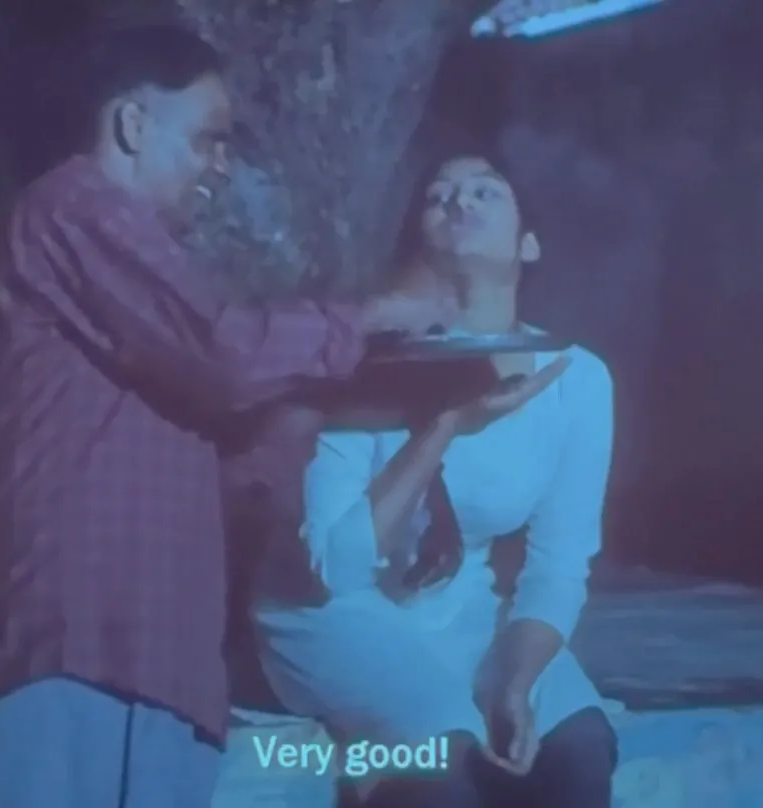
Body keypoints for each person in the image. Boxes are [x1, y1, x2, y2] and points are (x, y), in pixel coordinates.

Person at [0, 24, 450, 808]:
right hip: (75, 640)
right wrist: (373, 315)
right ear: (132, 125)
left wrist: (408, 416)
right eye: (208, 140)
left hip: (162, 657)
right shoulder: (74, 207)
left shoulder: (143, 266)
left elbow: (225, 431)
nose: (220, 168)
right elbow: (220, 353)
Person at [252, 154, 620, 807]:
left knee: (580, 747)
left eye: (486, 191)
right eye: (438, 195)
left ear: (528, 243)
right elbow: (336, 570)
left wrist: (516, 678)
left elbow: (560, 563)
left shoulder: (575, 378)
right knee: (440, 764)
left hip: (457, 606)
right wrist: (444, 425)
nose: (460, 202)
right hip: (325, 609)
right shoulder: (362, 366)